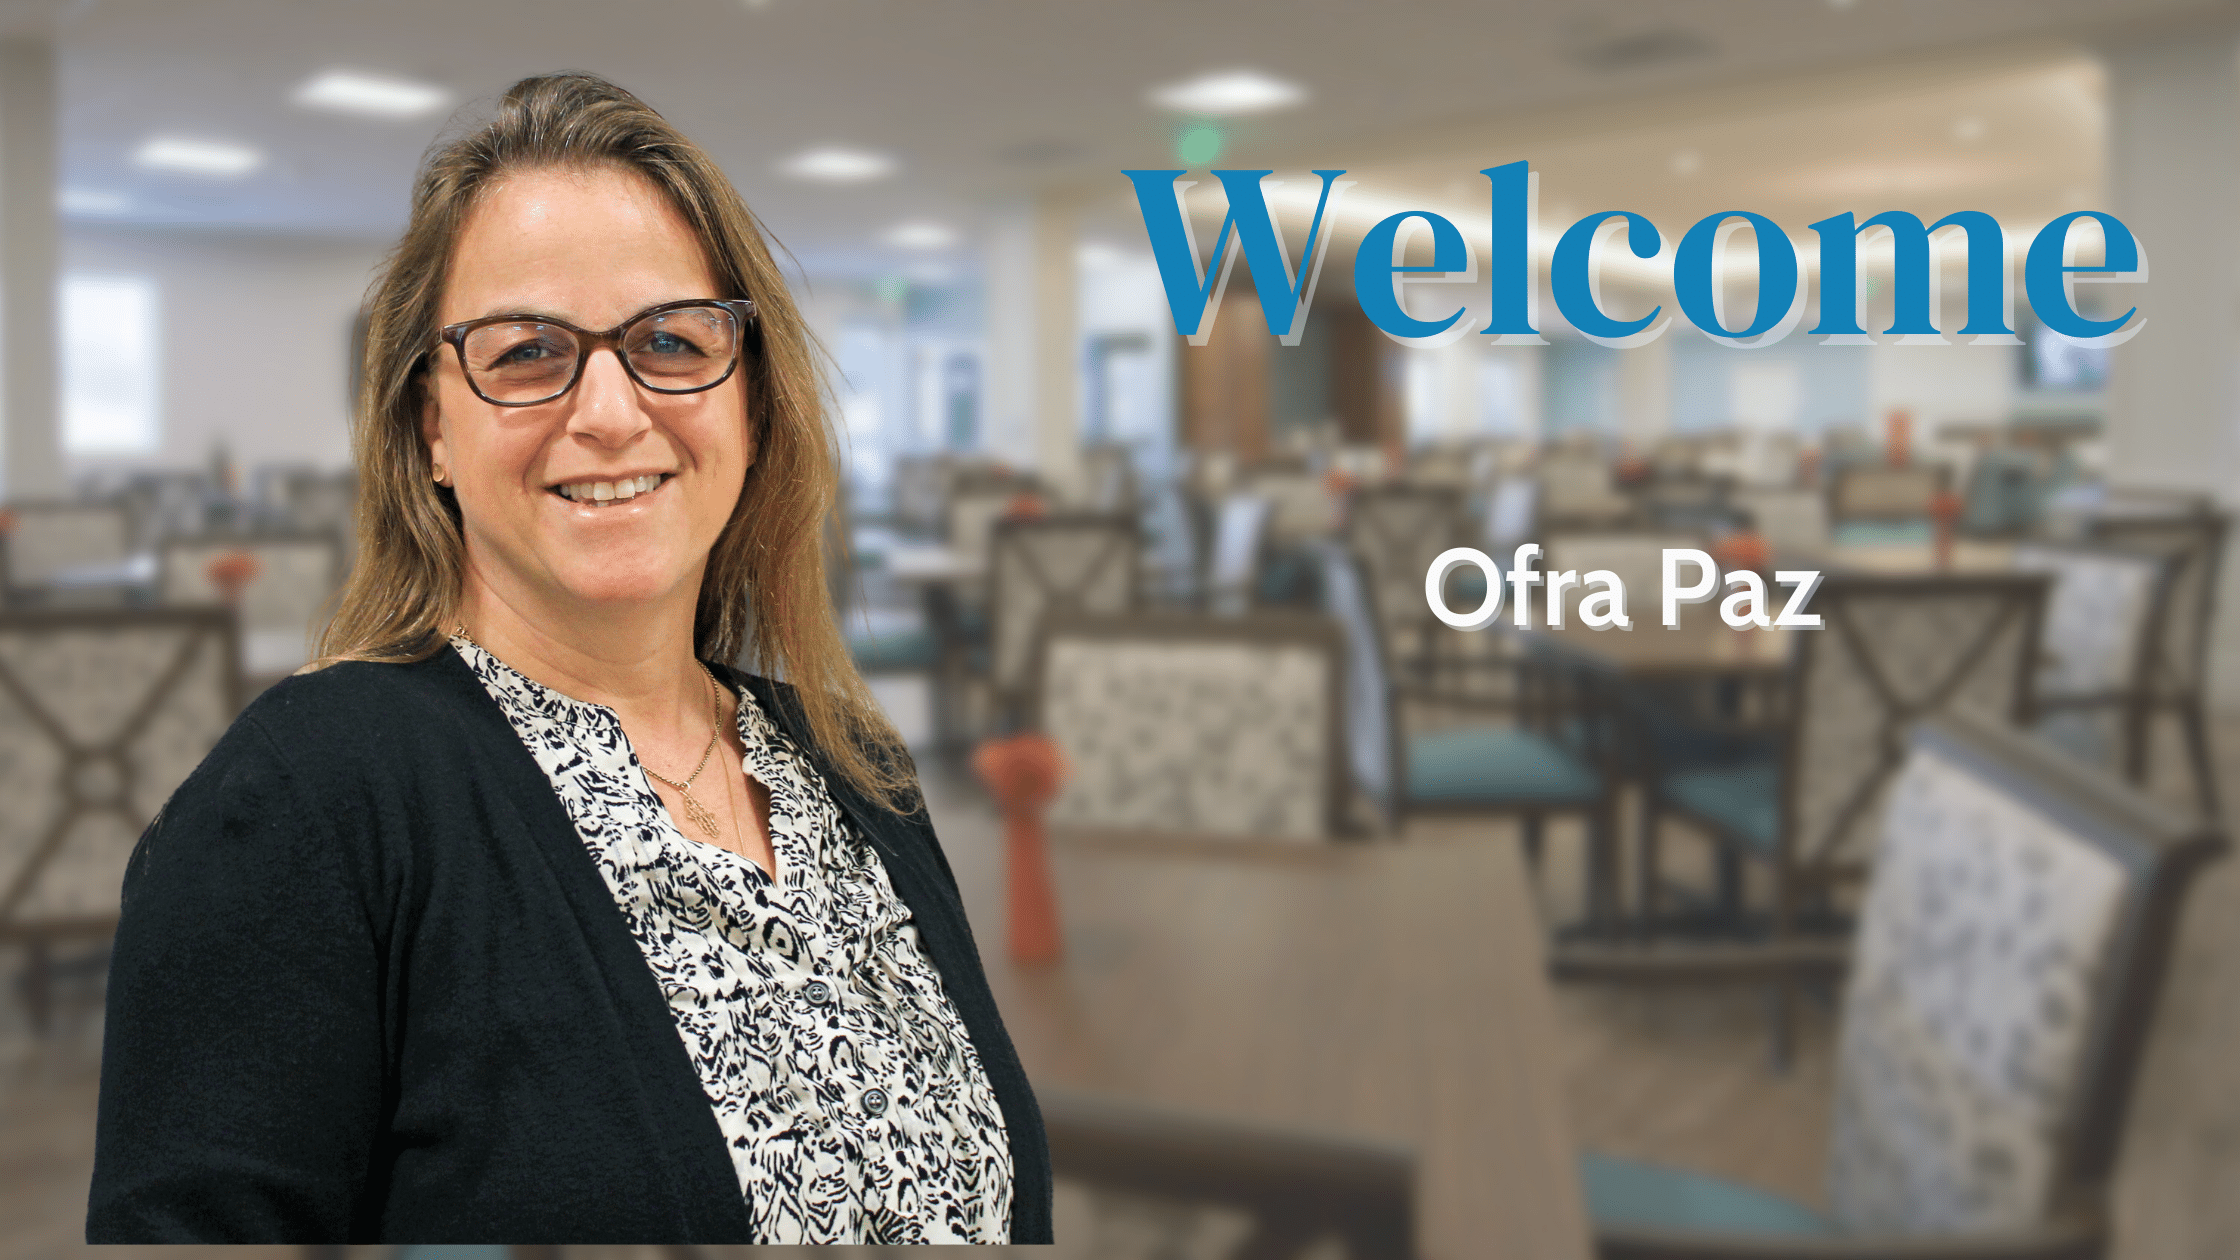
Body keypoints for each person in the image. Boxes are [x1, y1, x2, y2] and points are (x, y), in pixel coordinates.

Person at [86, 72, 1049, 1244]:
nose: (608, 409)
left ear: (749, 402)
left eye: (671, 340)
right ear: (430, 427)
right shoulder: (304, 802)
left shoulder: (857, 768)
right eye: (529, 350)